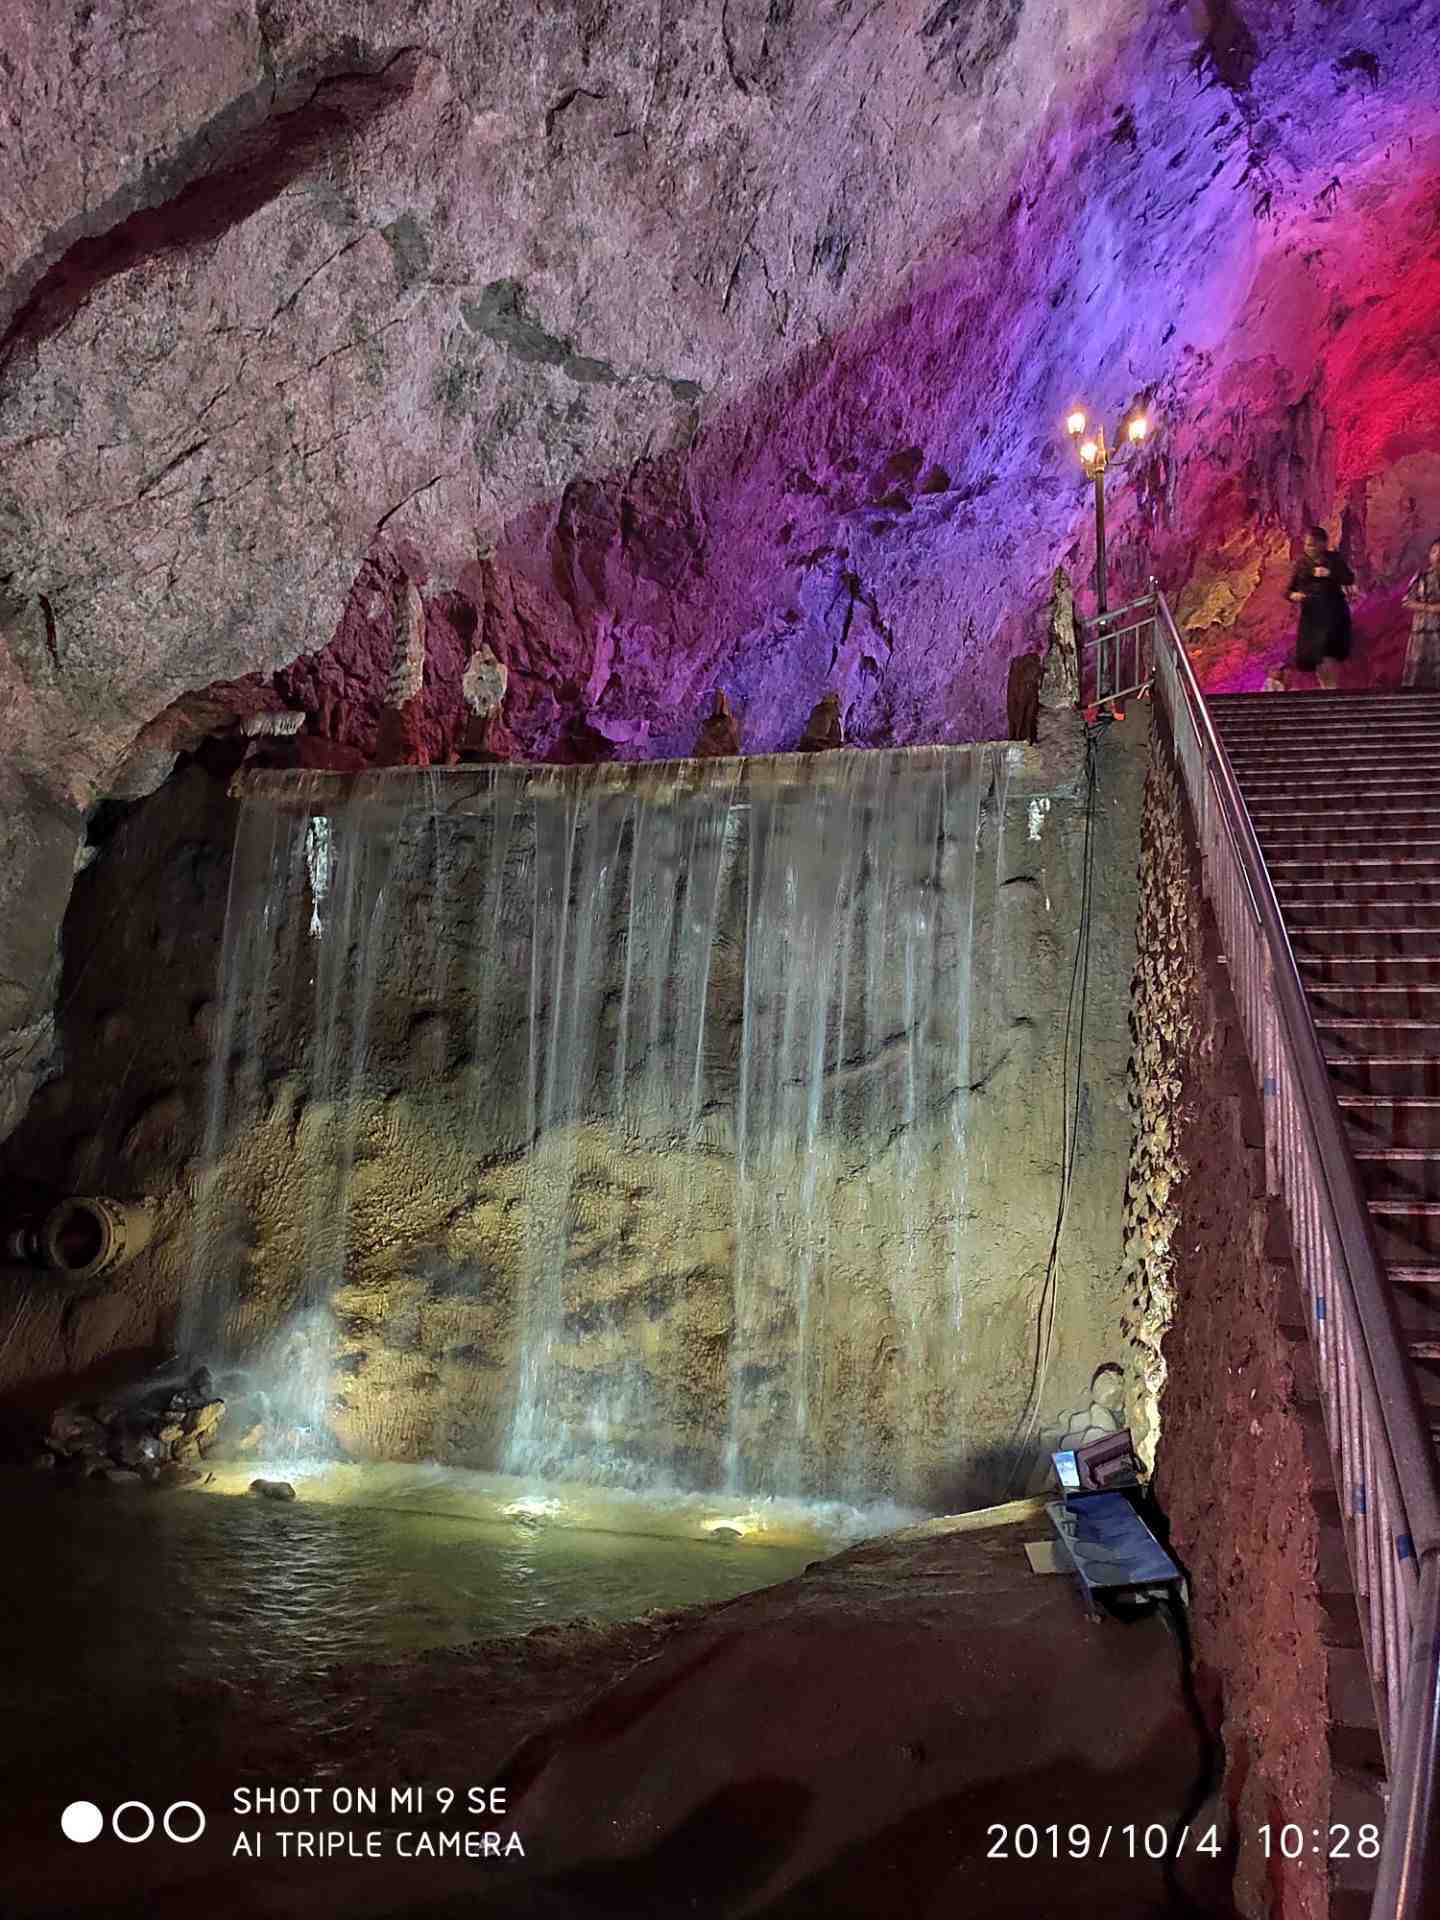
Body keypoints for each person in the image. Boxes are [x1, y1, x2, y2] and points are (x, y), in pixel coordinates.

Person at [1286, 525, 1355, 685]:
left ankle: (1332, 688)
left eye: (1312, 544)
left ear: (1322, 544)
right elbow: (1288, 589)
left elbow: (1349, 578)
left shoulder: (1334, 559)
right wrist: (1294, 595)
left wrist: (1330, 573)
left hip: (1333, 612)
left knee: (1329, 651)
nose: (1308, 548)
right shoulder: (1301, 563)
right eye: (1307, 544)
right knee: (1316, 654)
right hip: (1312, 614)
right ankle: (1326, 687)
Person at [1401, 536, 1440, 689]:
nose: (1438, 555)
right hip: (1423, 632)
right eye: (1435, 551)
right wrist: (1430, 608)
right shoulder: (1421, 578)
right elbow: (1406, 601)